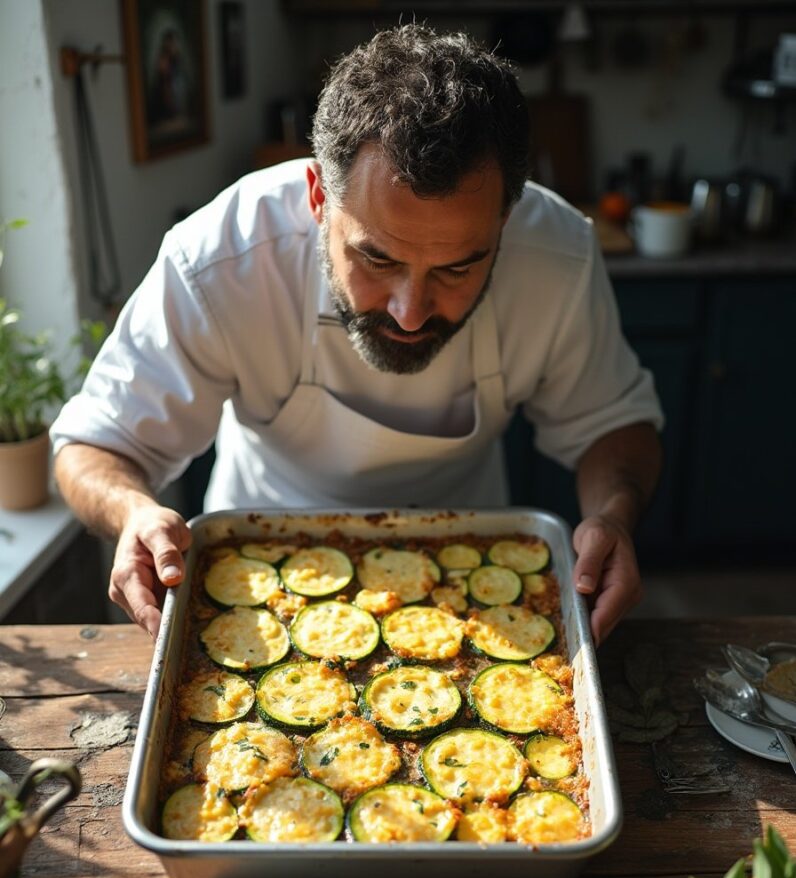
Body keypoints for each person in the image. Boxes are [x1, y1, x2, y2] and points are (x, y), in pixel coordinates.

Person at [51, 24, 663, 646]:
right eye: (377, 260)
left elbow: (613, 424)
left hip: (473, 571)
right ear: (319, 197)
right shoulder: (220, 259)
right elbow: (94, 444)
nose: (410, 313)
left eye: (457, 268)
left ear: (507, 217)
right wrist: (133, 512)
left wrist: (612, 515)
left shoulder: (559, 255)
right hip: (258, 574)